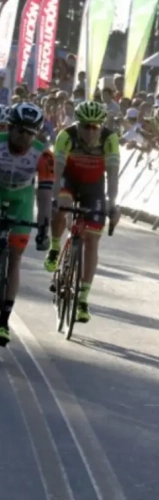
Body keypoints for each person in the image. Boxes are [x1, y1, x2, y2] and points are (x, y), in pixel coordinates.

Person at [44, 101, 121, 323]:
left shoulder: (109, 139)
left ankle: (83, 298)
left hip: (94, 186)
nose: (89, 131)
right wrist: (55, 197)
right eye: (85, 126)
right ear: (77, 124)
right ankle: (55, 247)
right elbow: (57, 172)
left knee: (92, 241)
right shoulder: (66, 136)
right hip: (70, 179)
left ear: (101, 127)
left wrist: (113, 203)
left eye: (94, 127)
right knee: (62, 204)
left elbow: (113, 175)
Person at [0, 103, 53, 346]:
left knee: (15, 258)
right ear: (9, 127)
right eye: (20, 131)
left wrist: (44, 227)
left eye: (31, 133)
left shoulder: (44, 155)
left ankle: (3, 320)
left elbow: (44, 195)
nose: (25, 137)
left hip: (22, 200)